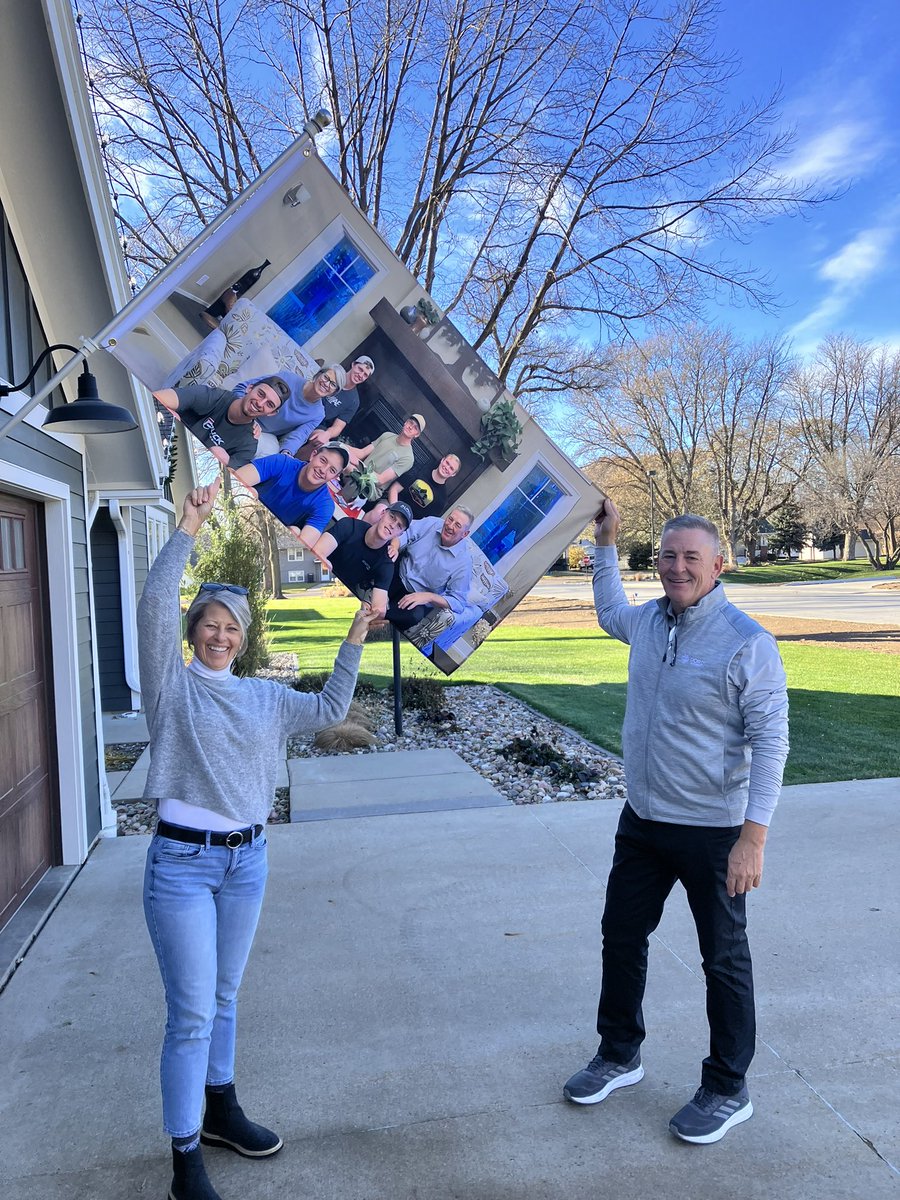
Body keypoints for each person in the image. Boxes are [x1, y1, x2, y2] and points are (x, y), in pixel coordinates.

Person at [138, 478, 374, 1200]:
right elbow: (153, 606)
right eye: (209, 625)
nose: (220, 636)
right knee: (191, 1014)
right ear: (193, 632)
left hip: (248, 861)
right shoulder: (172, 688)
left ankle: (220, 1108)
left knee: (225, 996)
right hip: (181, 865)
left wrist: (355, 635)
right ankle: (185, 1160)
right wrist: (188, 527)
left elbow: (330, 708)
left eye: (231, 628)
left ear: (244, 638)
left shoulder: (265, 698)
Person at [563, 499, 789, 1145]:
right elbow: (609, 610)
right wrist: (606, 541)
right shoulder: (648, 622)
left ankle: (727, 1088)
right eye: (668, 555)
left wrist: (753, 838)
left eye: (692, 557)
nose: (677, 567)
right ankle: (619, 1054)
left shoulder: (747, 642)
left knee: (723, 959)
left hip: (714, 833)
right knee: (621, 935)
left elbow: (772, 743)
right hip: (643, 821)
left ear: (718, 565)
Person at [153, 378, 288, 470]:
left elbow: (231, 479)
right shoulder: (214, 397)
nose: (260, 403)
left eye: (269, 404)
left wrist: (226, 462)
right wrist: (172, 417)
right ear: (249, 388)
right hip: (160, 439)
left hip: (186, 469)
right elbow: (158, 398)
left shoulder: (249, 443)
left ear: (271, 413)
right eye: (260, 394)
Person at [234, 443, 349, 546]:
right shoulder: (282, 462)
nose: (323, 470)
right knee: (251, 492)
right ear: (313, 455)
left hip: (271, 539)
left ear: (334, 477)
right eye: (323, 460)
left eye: (332, 470)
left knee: (295, 532)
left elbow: (303, 546)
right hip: (243, 513)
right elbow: (234, 481)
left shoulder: (325, 505)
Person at [313, 501, 412, 618]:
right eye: (392, 517)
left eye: (399, 526)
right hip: (323, 581)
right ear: (382, 513)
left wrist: (372, 611)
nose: (393, 525)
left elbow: (379, 609)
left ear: (400, 534)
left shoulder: (386, 563)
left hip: (348, 594)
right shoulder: (349, 526)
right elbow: (318, 552)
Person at [384, 506, 473, 630]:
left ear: (465, 534)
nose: (450, 526)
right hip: (398, 570)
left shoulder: (464, 563)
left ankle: (378, 622)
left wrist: (429, 597)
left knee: (415, 615)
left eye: (457, 525)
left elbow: (458, 602)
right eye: (450, 519)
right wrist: (394, 546)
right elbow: (406, 532)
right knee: (385, 554)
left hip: (416, 596)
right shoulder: (432, 523)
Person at [254, 364, 346, 458]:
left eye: (333, 384)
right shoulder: (288, 378)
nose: (326, 384)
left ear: (334, 393)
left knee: (270, 455)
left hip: (267, 434)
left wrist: (287, 452)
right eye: (326, 377)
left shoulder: (318, 414)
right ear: (319, 374)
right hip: (250, 415)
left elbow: (298, 436)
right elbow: (251, 387)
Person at [341, 414, 424, 505]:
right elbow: (362, 453)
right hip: (357, 473)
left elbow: (380, 480)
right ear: (406, 422)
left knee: (345, 466)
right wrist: (340, 445)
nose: (410, 427)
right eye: (410, 423)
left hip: (371, 488)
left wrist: (357, 463)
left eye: (415, 428)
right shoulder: (387, 435)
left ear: (417, 434)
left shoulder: (408, 458)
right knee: (338, 457)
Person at [303, 355, 374, 452]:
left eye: (365, 375)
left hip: (319, 423)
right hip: (305, 405)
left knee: (320, 442)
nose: (361, 375)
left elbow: (338, 426)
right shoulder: (333, 374)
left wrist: (327, 434)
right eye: (360, 369)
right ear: (353, 364)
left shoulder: (354, 401)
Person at [397, 452, 461, 515]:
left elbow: (427, 520)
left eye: (451, 468)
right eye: (447, 463)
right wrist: (394, 509)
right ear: (442, 460)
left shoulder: (441, 499)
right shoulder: (420, 468)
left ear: (453, 474)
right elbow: (395, 489)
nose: (447, 467)